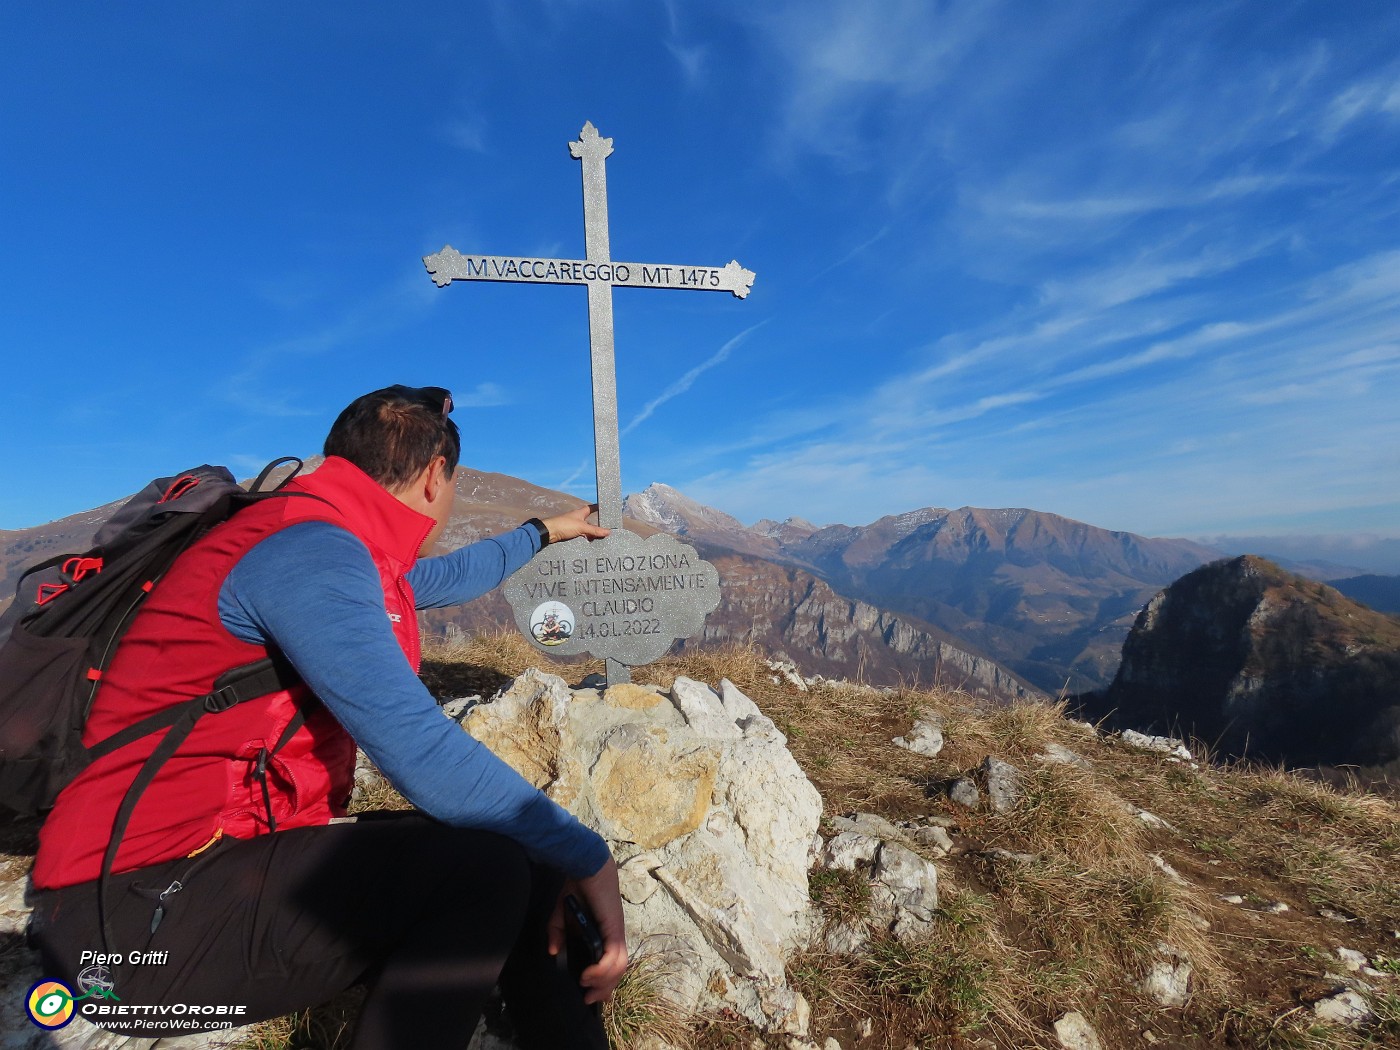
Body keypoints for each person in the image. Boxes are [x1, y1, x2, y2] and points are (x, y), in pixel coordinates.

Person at [29, 385, 627, 1049]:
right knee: (481, 873)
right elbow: (419, 752)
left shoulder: (326, 543)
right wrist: (591, 854)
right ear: (435, 476)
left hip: (197, 874)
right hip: (124, 928)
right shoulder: (308, 553)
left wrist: (544, 532)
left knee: (523, 861)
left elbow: (445, 578)